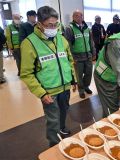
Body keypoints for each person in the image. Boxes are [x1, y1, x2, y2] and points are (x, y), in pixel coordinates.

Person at [20, 6, 77, 147]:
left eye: (55, 24)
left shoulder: (61, 38)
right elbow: (26, 74)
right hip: (49, 92)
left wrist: (73, 79)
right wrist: (41, 93)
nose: (53, 28)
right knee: (53, 121)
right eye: (49, 25)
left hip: (65, 87)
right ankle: (54, 145)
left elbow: (69, 60)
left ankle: (62, 129)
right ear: (39, 24)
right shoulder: (29, 43)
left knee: (64, 112)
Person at [65, 10, 95, 99]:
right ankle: (81, 90)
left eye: (80, 15)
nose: (79, 17)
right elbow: (68, 43)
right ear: (73, 17)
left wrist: (93, 52)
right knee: (79, 75)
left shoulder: (87, 28)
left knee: (89, 73)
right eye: (76, 16)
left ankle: (86, 87)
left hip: (88, 55)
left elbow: (91, 41)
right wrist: (71, 57)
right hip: (77, 57)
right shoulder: (69, 28)